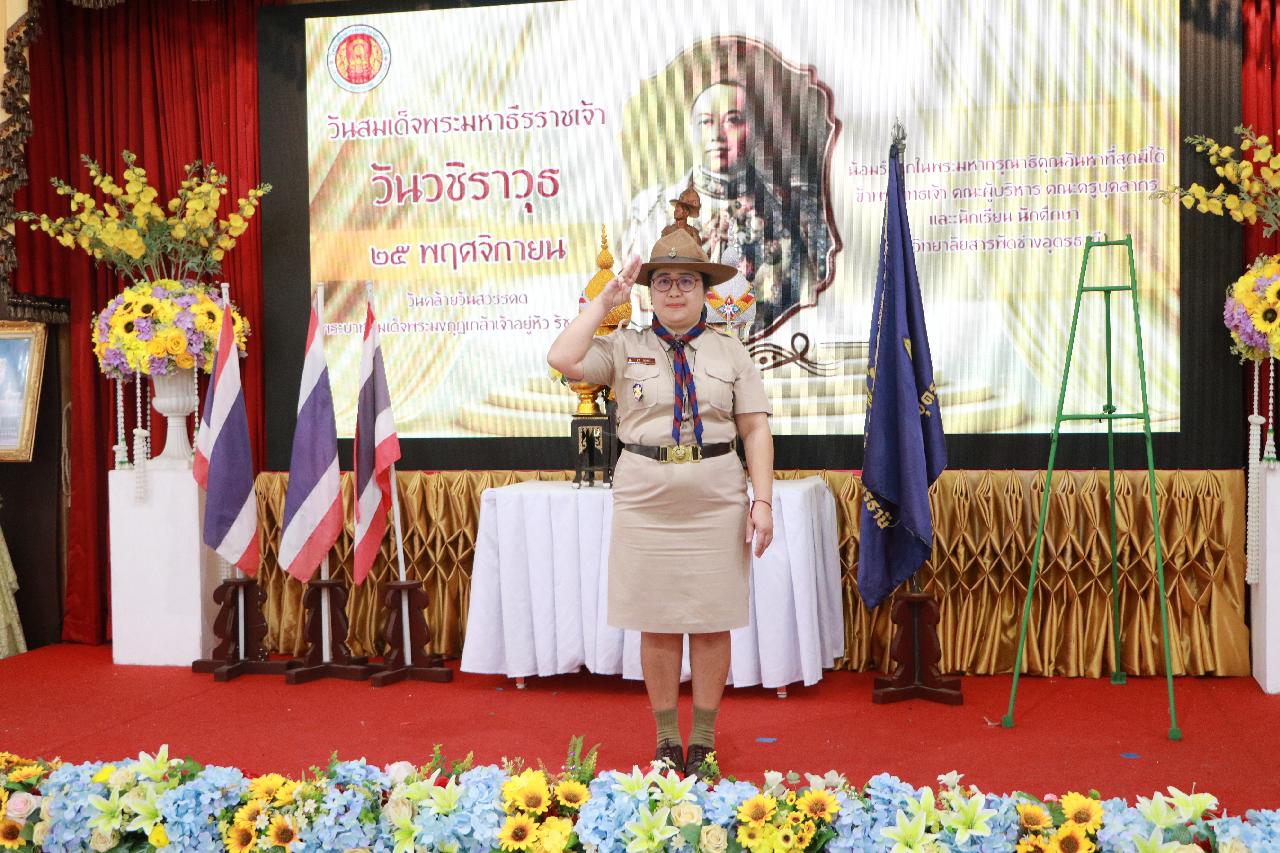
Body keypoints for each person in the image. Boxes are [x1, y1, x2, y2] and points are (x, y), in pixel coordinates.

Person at [548, 210, 775, 776]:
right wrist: (605, 300)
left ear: (705, 289)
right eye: (664, 281)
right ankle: (667, 740)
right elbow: (563, 358)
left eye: (687, 280)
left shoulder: (731, 351)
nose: (675, 291)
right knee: (657, 621)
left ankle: (703, 741)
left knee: (712, 620)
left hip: (716, 499)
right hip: (646, 501)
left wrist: (763, 501)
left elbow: (755, 429)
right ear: (649, 291)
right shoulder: (624, 346)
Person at [623, 79, 833, 339]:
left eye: (732, 121)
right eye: (705, 122)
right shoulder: (652, 211)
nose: (717, 135)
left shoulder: (796, 208)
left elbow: (816, 299)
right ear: (691, 132)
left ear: (754, 129)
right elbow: (635, 303)